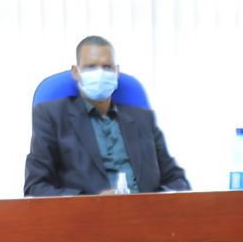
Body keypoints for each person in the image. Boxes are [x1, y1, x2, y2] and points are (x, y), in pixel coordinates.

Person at [24, 35, 190, 196]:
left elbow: (177, 180)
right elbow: (36, 187)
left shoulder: (143, 118)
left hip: (147, 212)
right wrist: (94, 203)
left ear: (116, 72)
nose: (100, 73)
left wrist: (158, 203)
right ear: (75, 72)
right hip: (87, 214)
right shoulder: (51, 116)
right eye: (91, 67)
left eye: (107, 67)